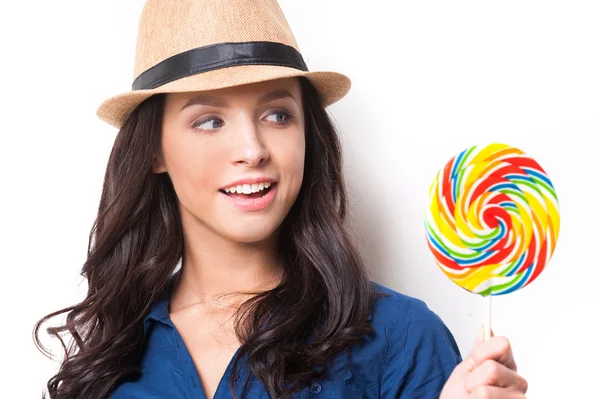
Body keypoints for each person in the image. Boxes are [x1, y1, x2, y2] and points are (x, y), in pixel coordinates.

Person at [34, 0, 529, 398]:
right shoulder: (112, 358)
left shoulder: (399, 336)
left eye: (277, 115)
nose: (252, 150)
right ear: (154, 151)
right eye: (209, 120)